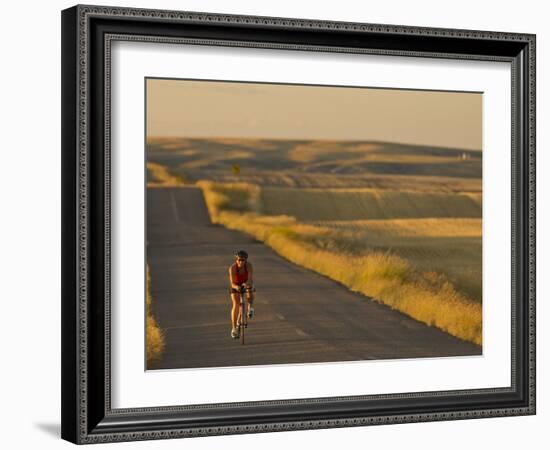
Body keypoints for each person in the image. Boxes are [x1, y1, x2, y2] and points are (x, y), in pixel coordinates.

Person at [228, 250, 255, 339]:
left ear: (246, 260)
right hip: (235, 285)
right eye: (239, 260)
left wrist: (246, 284)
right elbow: (232, 283)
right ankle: (234, 328)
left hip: (245, 283)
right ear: (236, 260)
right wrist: (237, 287)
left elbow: (250, 279)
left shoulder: (249, 266)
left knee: (250, 289)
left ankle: (250, 307)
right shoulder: (232, 268)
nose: (241, 262)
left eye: (243, 260)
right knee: (235, 304)